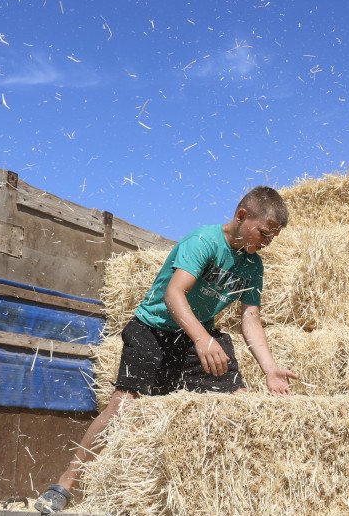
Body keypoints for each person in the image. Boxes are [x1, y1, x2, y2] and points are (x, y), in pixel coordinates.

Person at [34, 186, 298, 514]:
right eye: (263, 233)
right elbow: (175, 295)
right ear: (242, 216)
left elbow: (251, 318)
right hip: (153, 330)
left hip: (195, 336)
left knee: (239, 402)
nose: (265, 242)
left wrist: (269, 368)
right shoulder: (203, 242)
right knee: (122, 405)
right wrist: (203, 339)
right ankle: (65, 484)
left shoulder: (253, 267)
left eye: (272, 238)